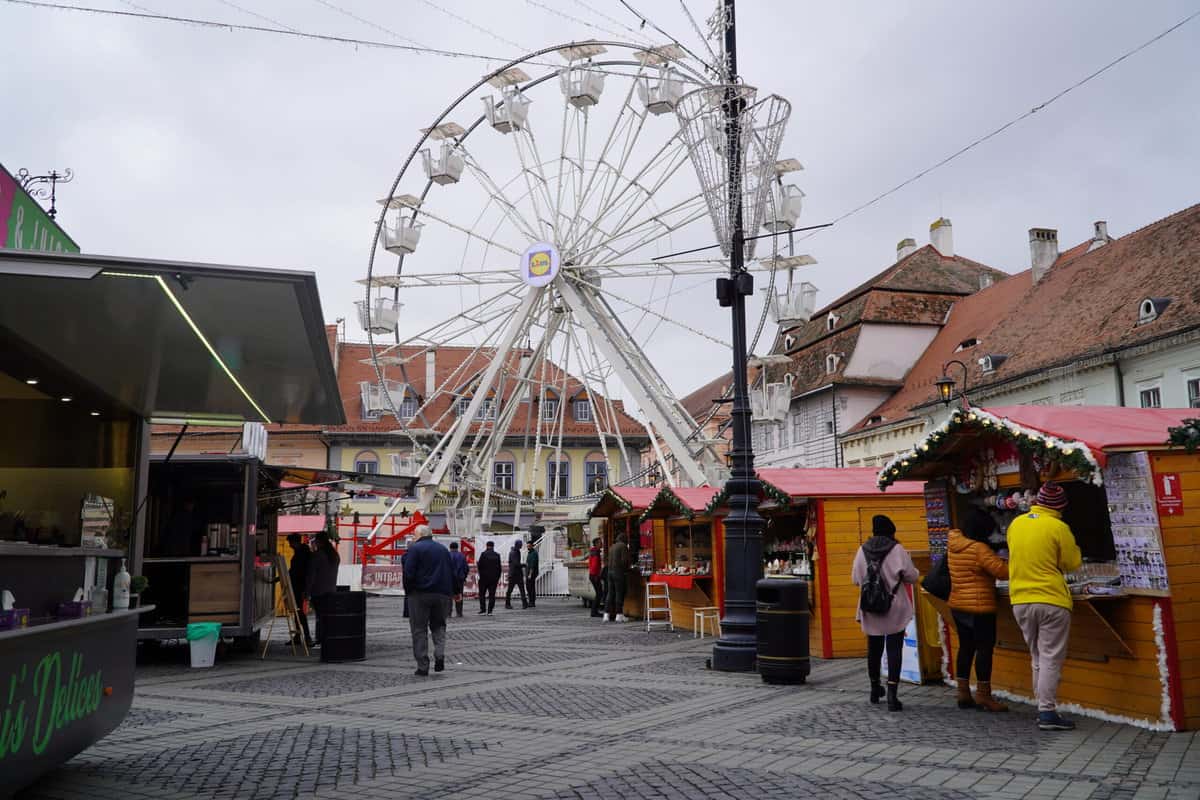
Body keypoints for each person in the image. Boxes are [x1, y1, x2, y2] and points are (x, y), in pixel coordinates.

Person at [1006, 482, 1082, 731]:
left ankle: (1043, 708)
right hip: (1051, 599)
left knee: (1037, 656)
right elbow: (1072, 563)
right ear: (1060, 506)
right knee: (1050, 656)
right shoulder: (1058, 527)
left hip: (1019, 600)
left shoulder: (1016, 524)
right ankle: (1047, 712)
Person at [851, 515, 918, 712]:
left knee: (874, 647)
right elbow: (911, 576)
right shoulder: (896, 549)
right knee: (894, 648)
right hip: (894, 605)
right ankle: (892, 695)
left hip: (870, 605)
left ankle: (874, 688)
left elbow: (855, 578)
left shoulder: (862, 550)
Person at [947, 509, 1009, 712]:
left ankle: (963, 692)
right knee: (984, 650)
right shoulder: (979, 548)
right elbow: (1001, 571)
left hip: (958, 604)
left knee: (966, 647)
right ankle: (984, 695)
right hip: (980, 606)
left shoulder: (954, 543)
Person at [403, 524, 454, 676]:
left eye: (414, 535)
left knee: (419, 629)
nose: (413, 537)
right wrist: (454, 591)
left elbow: (409, 572)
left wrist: (409, 591)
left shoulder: (415, 549)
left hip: (420, 594)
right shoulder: (443, 550)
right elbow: (451, 572)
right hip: (442, 594)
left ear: (418, 535)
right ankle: (439, 655)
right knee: (439, 626)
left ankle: (423, 666)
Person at [306, 531, 339, 649]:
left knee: (320, 617)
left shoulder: (318, 555)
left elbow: (311, 576)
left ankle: (320, 639)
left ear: (319, 542)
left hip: (318, 591)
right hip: (331, 589)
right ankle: (327, 638)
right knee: (327, 616)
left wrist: (306, 592)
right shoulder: (334, 555)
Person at [286, 534, 315, 649]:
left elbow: (296, 571)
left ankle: (307, 637)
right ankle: (299, 637)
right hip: (300, 586)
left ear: (294, 542)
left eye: (290, 543)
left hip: (300, 587)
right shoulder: (303, 552)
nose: (289, 545)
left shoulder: (302, 554)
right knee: (298, 612)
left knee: (301, 613)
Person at [604, 533, 630, 623]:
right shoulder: (623, 546)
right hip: (618, 572)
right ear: (624, 539)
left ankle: (606, 615)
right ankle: (619, 615)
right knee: (619, 593)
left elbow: (607, 560)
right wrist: (626, 569)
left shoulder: (612, 547)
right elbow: (624, 561)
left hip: (609, 572)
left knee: (610, 593)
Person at [476, 540, 501, 615]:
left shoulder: (483, 554)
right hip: (494, 579)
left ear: (487, 546)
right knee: (492, 595)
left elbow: (479, 566)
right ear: (493, 546)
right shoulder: (497, 555)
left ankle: (483, 610)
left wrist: (481, 575)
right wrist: (497, 577)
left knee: (482, 594)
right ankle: (490, 611)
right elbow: (499, 568)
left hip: (484, 578)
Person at [448, 541, 469, 618]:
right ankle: (459, 612)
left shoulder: (447, 555)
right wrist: (464, 577)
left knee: (449, 596)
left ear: (450, 548)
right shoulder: (462, 556)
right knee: (459, 595)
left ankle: (448, 613)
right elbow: (466, 568)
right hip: (459, 579)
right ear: (457, 547)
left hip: (449, 579)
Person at [505, 540, 528, 609]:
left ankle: (524, 604)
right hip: (514, 574)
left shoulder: (516, 551)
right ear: (517, 545)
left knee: (519, 589)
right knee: (512, 590)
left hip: (515, 574)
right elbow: (516, 564)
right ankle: (508, 604)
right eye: (520, 544)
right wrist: (524, 565)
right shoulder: (514, 552)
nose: (521, 545)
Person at [587, 538, 604, 618]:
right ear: (596, 543)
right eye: (600, 542)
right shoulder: (595, 552)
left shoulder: (593, 551)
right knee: (599, 593)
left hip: (593, 575)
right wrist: (596, 575)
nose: (602, 544)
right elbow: (594, 565)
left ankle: (594, 611)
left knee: (599, 593)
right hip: (594, 576)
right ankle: (594, 612)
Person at [525, 540, 539, 608]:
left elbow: (532, 565)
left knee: (530, 587)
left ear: (532, 546)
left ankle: (532, 602)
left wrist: (530, 574)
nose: (528, 547)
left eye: (529, 546)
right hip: (529, 573)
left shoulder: (534, 553)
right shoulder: (530, 553)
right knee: (529, 587)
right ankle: (531, 601)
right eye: (527, 546)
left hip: (532, 573)